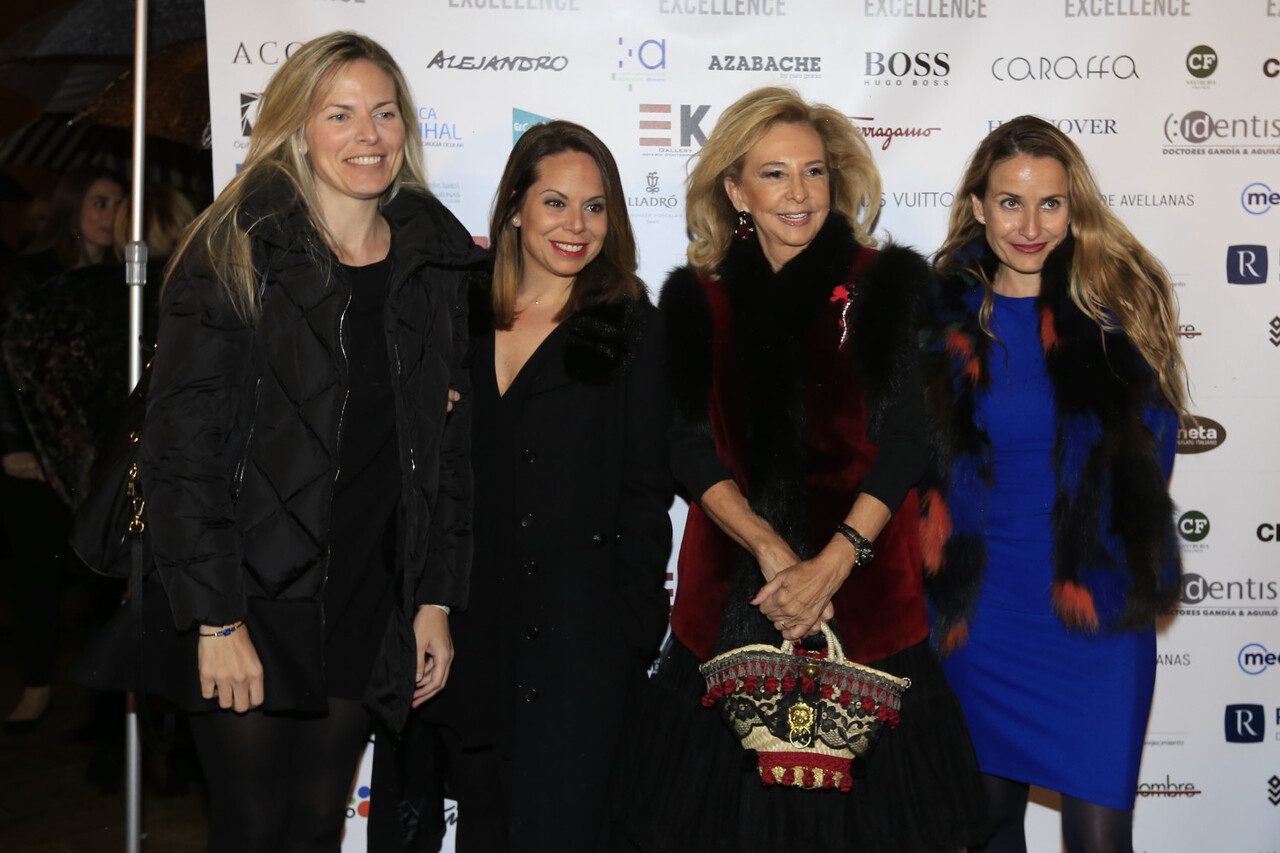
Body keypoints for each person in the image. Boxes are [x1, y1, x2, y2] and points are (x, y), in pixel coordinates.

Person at [130, 32, 481, 851]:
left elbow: (447, 453)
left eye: (384, 112)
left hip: (368, 595)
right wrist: (216, 620)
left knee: (319, 827)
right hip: (251, 595)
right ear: (296, 127)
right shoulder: (237, 248)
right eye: (341, 114)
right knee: (254, 829)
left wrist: (432, 600)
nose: (369, 134)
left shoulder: (433, 261)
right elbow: (180, 453)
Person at [617, 86, 985, 853]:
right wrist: (770, 548)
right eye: (774, 173)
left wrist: (834, 562)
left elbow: (908, 441)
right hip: (731, 606)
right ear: (735, 190)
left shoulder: (886, 286)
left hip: (867, 604)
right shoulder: (697, 300)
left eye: (813, 171)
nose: (798, 192)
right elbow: (687, 446)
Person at [372, 120, 672, 853]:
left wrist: (629, 631)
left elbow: (646, 492)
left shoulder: (630, 327)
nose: (577, 226)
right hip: (464, 623)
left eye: (595, 207)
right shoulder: (457, 310)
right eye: (555, 203)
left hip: (580, 639)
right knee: (481, 826)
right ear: (513, 209)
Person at [919, 116, 1186, 853]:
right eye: (1010, 203)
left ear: (1075, 207)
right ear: (979, 207)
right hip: (980, 618)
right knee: (985, 829)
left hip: (1095, 614)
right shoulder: (940, 322)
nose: (1031, 226)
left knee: (1100, 841)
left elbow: (1150, 465)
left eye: (1051, 204)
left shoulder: (1121, 311)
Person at [0, 165, 125, 732]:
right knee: (39, 574)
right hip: (37, 456)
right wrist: (14, 445)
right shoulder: (28, 275)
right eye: (99, 202)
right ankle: (35, 687)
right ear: (72, 207)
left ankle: (106, 707)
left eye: (118, 204)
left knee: (105, 576)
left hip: (102, 457)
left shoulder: (129, 278)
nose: (109, 215)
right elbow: (9, 369)